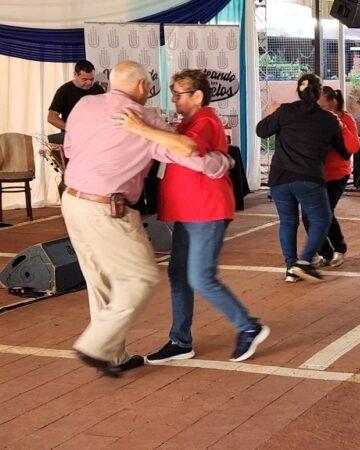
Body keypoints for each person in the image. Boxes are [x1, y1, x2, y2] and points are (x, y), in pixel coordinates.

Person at [61, 61, 232, 377]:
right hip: (108, 208)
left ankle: (113, 355)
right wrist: (222, 162)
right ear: (142, 87)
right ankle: (95, 346)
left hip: (72, 201)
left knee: (100, 280)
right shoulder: (146, 120)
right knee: (141, 278)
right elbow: (188, 154)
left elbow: (70, 148)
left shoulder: (84, 104)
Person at [114, 69, 269, 364]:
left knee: (200, 277)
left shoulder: (205, 121)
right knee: (179, 274)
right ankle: (180, 340)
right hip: (189, 210)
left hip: (206, 210)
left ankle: (248, 326)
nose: (174, 100)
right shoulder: (187, 123)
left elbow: (188, 150)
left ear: (198, 96)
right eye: (172, 94)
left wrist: (142, 129)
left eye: (179, 95)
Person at [257, 74, 349, 283]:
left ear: (298, 91)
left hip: (280, 176)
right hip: (308, 177)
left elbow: (261, 131)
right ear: (318, 94)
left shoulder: (286, 111)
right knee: (322, 219)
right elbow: (343, 152)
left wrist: (274, 116)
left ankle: (291, 268)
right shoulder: (328, 119)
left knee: (288, 222)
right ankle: (304, 261)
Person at [301, 86, 360, 269]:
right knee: (307, 215)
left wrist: (341, 127)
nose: (317, 108)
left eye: (321, 104)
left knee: (325, 213)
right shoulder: (315, 119)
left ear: (331, 103)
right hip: (315, 174)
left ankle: (339, 248)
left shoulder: (345, 119)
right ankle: (324, 252)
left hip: (337, 174)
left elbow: (354, 147)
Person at [47, 60, 105, 145]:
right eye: (84, 79)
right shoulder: (64, 91)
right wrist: (71, 128)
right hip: (73, 139)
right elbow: (51, 117)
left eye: (91, 79)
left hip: (95, 137)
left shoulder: (98, 89)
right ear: (75, 75)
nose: (89, 83)